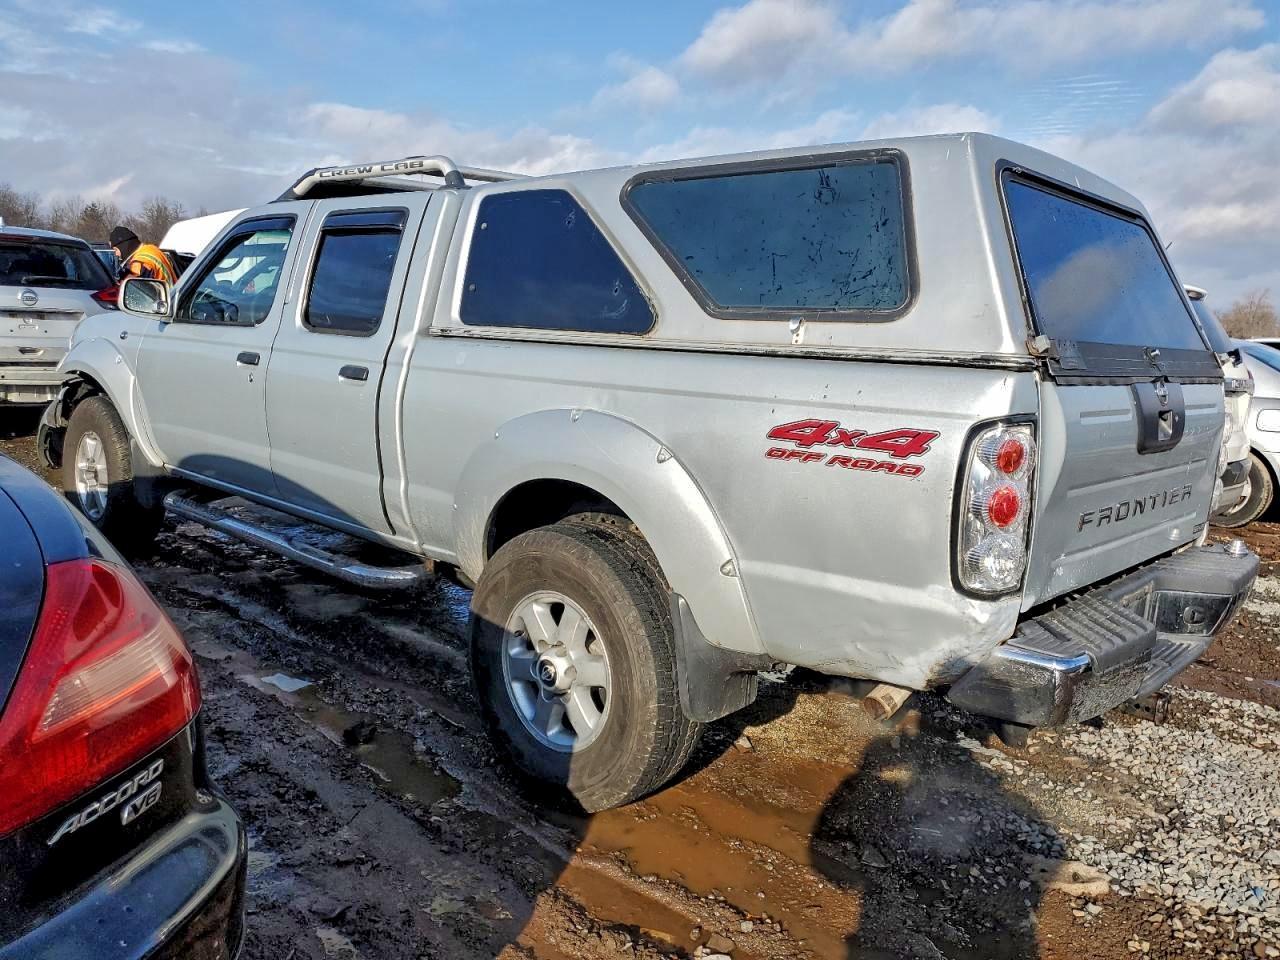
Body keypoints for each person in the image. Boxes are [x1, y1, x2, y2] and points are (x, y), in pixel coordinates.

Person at [110, 226, 177, 284]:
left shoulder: (138, 264)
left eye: (116, 250)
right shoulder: (151, 249)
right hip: (174, 291)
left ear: (124, 247)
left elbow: (136, 291)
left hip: (165, 294)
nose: (116, 254)